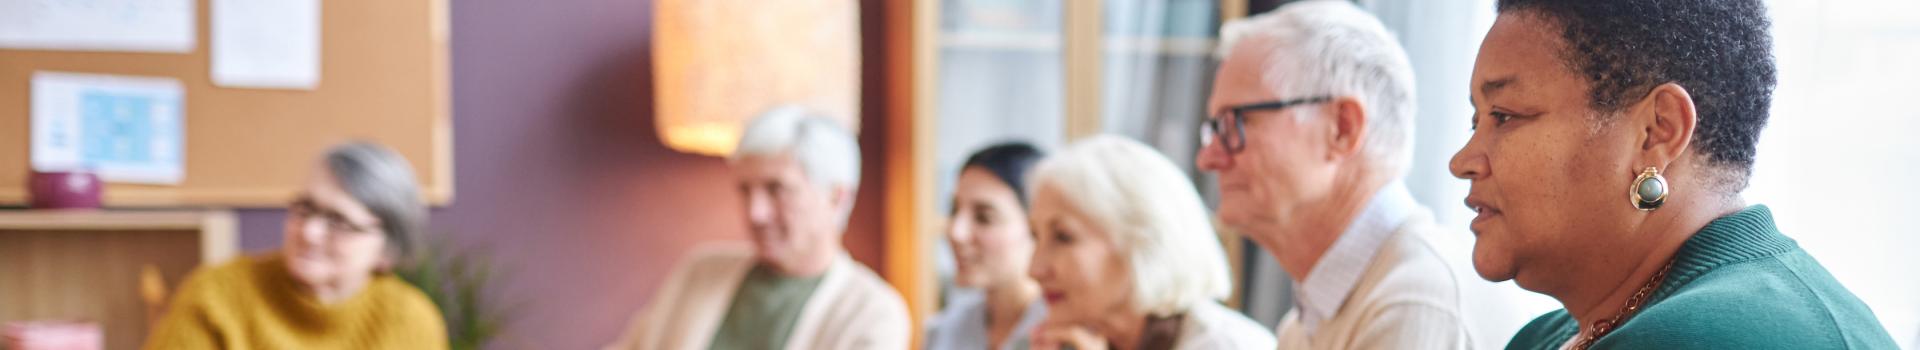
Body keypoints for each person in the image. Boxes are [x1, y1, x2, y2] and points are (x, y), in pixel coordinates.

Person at [1453, 1, 1898, 348]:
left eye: (1504, 116)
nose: (1462, 161)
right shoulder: (1551, 335)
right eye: (1476, 121)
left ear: (1656, 132)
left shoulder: (1700, 338)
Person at [1198, 1, 1504, 348]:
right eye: (1214, 129)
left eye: (1234, 123)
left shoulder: (1413, 303)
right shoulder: (1303, 325)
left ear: (1342, 128)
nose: (1207, 157)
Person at [603, 106, 909, 350]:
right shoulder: (701, 271)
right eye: (745, 190)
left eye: (776, 189)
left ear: (836, 197)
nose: (755, 213)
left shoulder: (872, 313)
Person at [145, 141, 446, 349]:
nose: (310, 231)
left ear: (387, 250)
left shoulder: (411, 321)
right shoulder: (215, 296)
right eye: (305, 208)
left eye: (339, 221)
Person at [1024, 135, 1274, 350]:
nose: (1034, 269)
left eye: (1063, 237)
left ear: (1143, 243)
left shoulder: (1227, 345)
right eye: (1035, 236)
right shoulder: (1084, 340)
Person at [925, 142, 1050, 350]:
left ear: (1037, 227)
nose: (956, 232)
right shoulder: (943, 331)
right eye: (954, 210)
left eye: (984, 217)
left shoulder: (1067, 334)